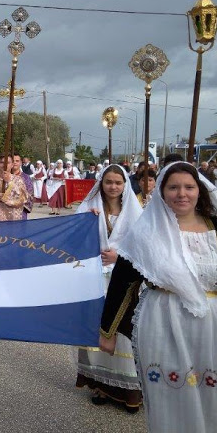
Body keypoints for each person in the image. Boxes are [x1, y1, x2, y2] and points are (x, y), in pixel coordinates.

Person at [99, 162, 217, 433]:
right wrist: (107, 332)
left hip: (216, 327)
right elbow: (123, 282)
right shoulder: (148, 231)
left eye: (188, 187)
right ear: (162, 191)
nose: (182, 194)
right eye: (173, 187)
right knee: (173, 398)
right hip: (164, 324)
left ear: (199, 190)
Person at [75, 164, 143, 413]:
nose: (113, 187)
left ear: (125, 185)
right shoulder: (89, 207)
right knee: (96, 330)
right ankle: (100, 385)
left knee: (122, 332)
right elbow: (75, 240)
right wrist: (85, 223)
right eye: (108, 182)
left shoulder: (134, 213)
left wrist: (119, 257)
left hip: (122, 281)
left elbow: (143, 246)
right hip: (94, 278)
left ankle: (129, 390)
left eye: (118, 182)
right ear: (101, 183)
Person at [12, 154, 34, 219]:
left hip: (20, 211)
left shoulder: (26, 178)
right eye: (13, 161)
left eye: (17, 161)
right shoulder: (3, 177)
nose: (15, 162)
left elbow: (30, 195)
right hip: (5, 212)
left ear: (21, 163)